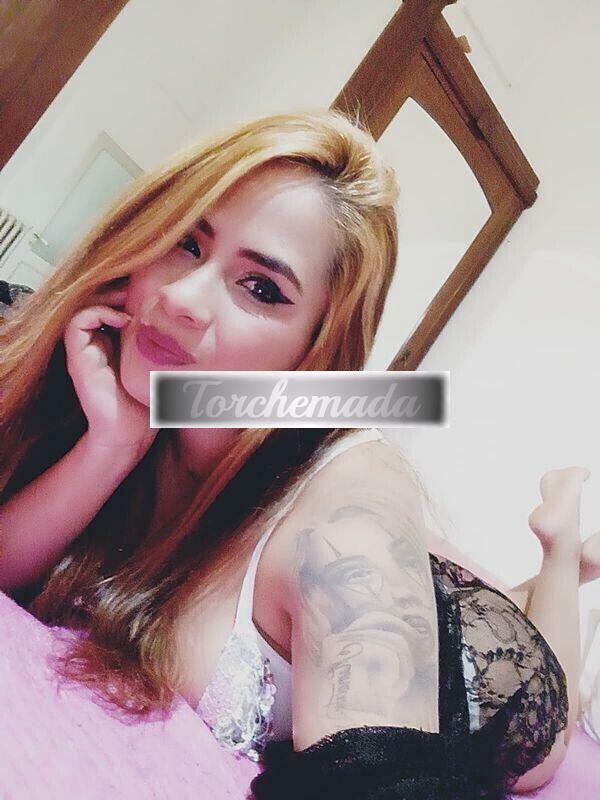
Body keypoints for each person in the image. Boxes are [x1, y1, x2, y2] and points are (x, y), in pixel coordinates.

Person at [0, 108, 593, 798]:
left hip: (477, 668)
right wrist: (110, 447)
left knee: (544, 739)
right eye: (187, 242)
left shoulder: (348, 518)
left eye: (261, 288)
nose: (182, 298)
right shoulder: (126, 394)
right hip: (356, 561)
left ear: (317, 351)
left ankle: (561, 550)